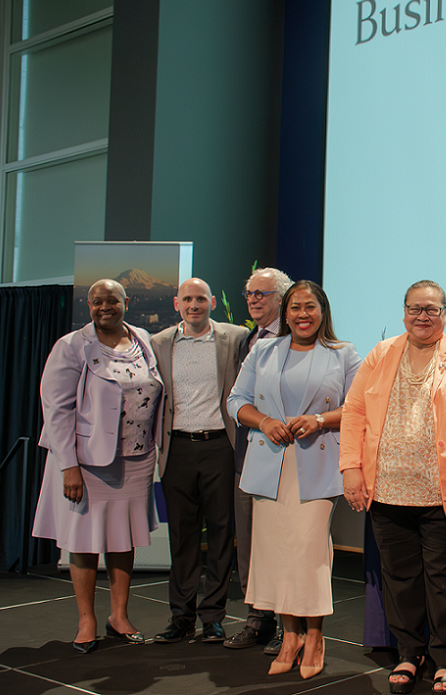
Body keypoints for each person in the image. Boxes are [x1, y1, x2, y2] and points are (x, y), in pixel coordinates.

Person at [341, 280, 446, 695]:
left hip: (444, 492)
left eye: (431, 309)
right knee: (401, 580)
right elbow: (354, 412)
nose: (422, 316)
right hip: (387, 490)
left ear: (445, 314)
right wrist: (349, 468)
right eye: (415, 309)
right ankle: (409, 653)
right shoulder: (381, 353)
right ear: (404, 312)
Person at [227, 280, 361, 679]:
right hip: (269, 463)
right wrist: (264, 421)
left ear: (323, 311)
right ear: (285, 313)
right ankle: (289, 636)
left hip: (316, 465)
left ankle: (315, 635)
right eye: (295, 307)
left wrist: (320, 419)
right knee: (274, 552)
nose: (303, 314)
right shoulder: (263, 350)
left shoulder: (342, 354)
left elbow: (358, 407)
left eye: (311, 307)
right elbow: (237, 401)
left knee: (307, 550)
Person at [33, 279, 164, 652]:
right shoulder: (72, 346)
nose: (104, 307)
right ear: (89, 306)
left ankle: (119, 615)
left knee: (124, 538)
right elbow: (56, 410)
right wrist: (68, 466)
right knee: (85, 541)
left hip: (137, 458)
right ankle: (87, 619)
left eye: (112, 300)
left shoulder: (143, 340)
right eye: (97, 301)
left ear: (127, 302)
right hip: (88, 462)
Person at [150, 278, 248, 645]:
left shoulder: (234, 337)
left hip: (219, 446)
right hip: (177, 449)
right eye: (188, 299)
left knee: (222, 535)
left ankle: (213, 617)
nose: (194, 305)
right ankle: (181, 617)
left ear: (212, 303)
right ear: (177, 303)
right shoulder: (159, 342)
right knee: (183, 536)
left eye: (201, 299)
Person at [224, 267, 293, 653]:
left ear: (281, 299)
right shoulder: (248, 340)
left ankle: (288, 624)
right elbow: (240, 399)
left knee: (283, 544)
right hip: (248, 456)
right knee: (249, 544)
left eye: (261, 294)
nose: (252, 300)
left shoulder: (299, 338)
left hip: (289, 459)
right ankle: (257, 620)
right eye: (249, 293)